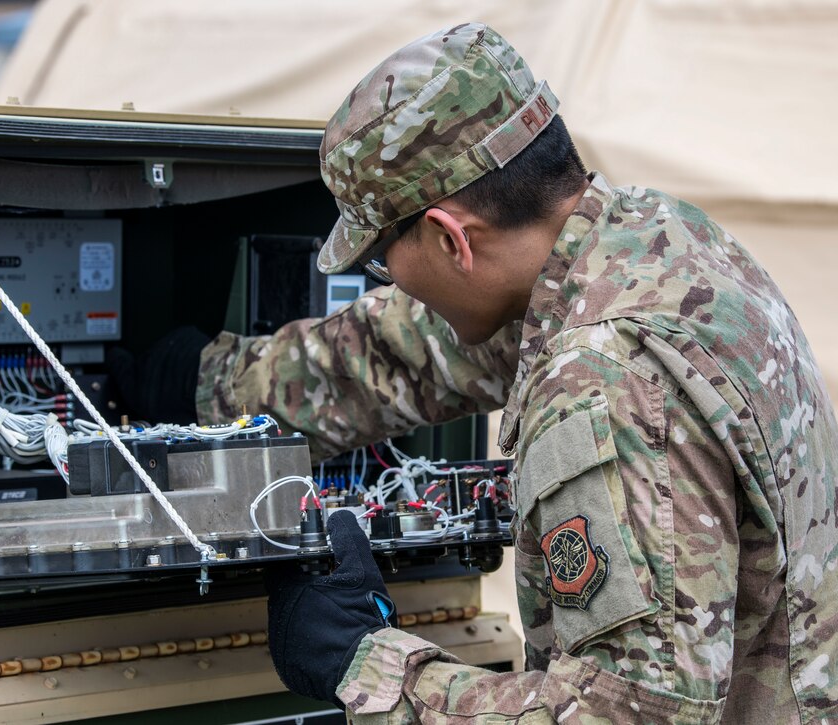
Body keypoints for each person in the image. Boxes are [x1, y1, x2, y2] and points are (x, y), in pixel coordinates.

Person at [138, 22, 838, 722]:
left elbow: (631, 713)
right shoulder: (653, 244)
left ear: (451, 238)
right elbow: (407, 352)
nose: (393, 284)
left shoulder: (604, 379)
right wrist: (209, 385)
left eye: (383, 259)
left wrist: (367, 664)